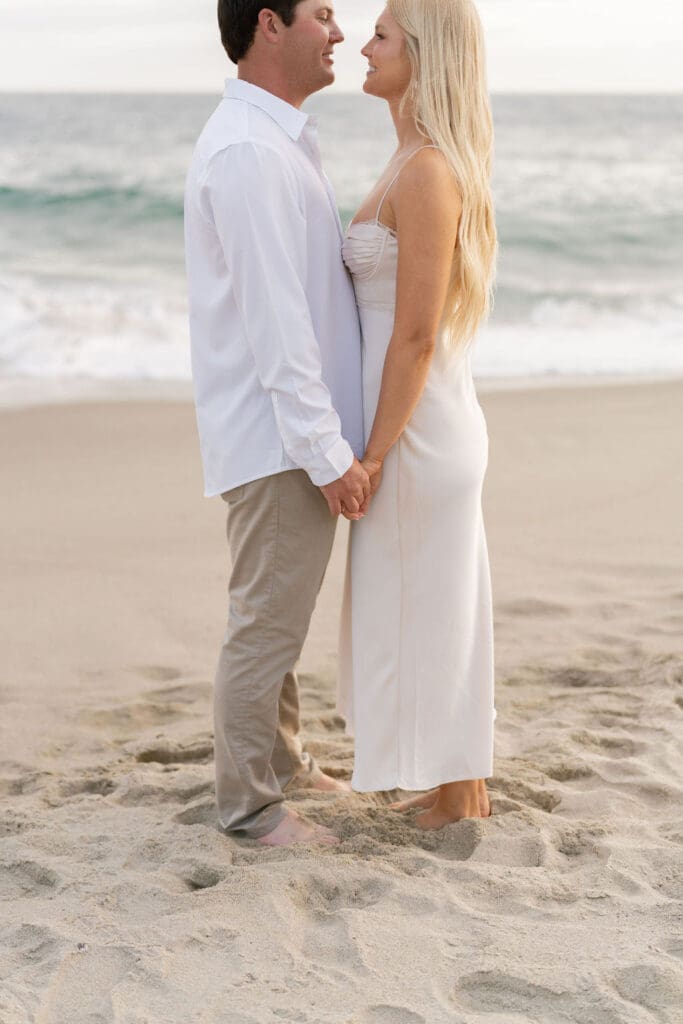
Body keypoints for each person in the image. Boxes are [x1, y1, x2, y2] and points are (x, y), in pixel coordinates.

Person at [184, 0, 371, 848]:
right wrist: (324, 448)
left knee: (279, 615)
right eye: (324, 15)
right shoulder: (250, 151)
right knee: (265, 622)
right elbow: (276, 322)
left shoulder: (277, 139)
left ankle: (284, 765)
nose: (338, 33)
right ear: (270, 22)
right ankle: (250, 808)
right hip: (276, 434)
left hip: (284, 432)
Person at [337, 0, 498, 827]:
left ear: (422, 56)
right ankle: (451, 786)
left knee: (433, 606)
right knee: (430, 601)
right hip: (414, 425)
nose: (362, 46)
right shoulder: (406, 159)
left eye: (381, 36)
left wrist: (370, 453)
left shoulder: (429, 170)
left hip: (418, 429)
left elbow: (415, 335)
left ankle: (461, 794)